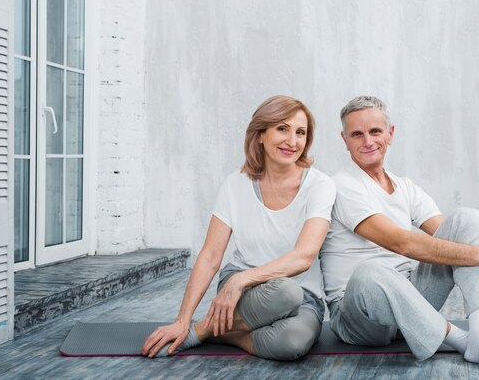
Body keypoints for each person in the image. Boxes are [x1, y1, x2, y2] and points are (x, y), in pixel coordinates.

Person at [320, 96, 479, 373]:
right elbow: (402, 243)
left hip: (411, 302)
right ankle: (463, 340)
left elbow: (457, 239)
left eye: (375, 131)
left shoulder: (405, 186)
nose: (367, 141)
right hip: (359, 317)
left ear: (390, 133)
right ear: (344, 139)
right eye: (357, 134)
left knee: (468, 219)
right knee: (370, 271)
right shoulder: (342, 184)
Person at [142, 95, 336, 360]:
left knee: (292, 342)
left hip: (300, 297)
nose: (293, 141)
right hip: (247, 297)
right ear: (260, 134)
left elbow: (304, 257)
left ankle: (208, 331)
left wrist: (240, 280)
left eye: (300, 132)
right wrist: (181, 319)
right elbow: (211, 255)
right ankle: (224, 324)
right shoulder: (236, 183)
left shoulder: (321, 185)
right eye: (282, 129)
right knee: (284, 292)